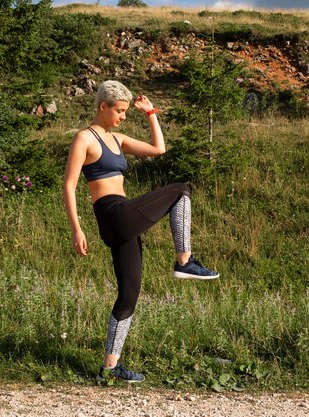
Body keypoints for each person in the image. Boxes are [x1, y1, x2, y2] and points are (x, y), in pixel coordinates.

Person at [63, 80, 219, 384]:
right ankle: (184, 262)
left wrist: (151, 113)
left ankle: (109, 368)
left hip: (123, 219)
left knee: (129, 294)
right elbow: (69, 185)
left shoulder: (118, 139)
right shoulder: (85, 138)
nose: (123, 116)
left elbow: (158, 149)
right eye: (119, 110)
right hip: (112, 214)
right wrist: (77, 229)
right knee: (181, 190)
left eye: (125, 111)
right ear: (102, 106)